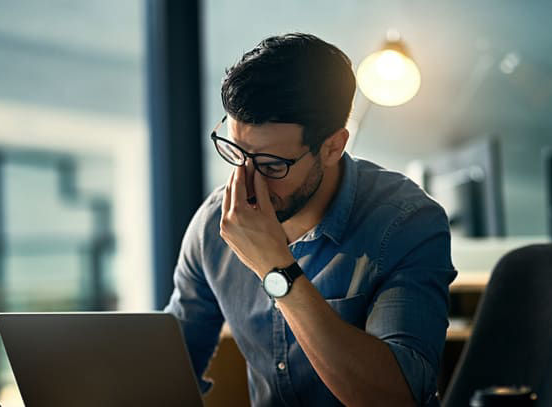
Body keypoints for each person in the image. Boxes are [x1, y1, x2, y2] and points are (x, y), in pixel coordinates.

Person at [164, 32, 456, 407]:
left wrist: (276, 268)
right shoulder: (213, 226)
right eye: (235, 152)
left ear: (333, 146)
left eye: (272, 165)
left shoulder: (406, 223)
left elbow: (397, 397)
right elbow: (172, 363)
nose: (246, 182)